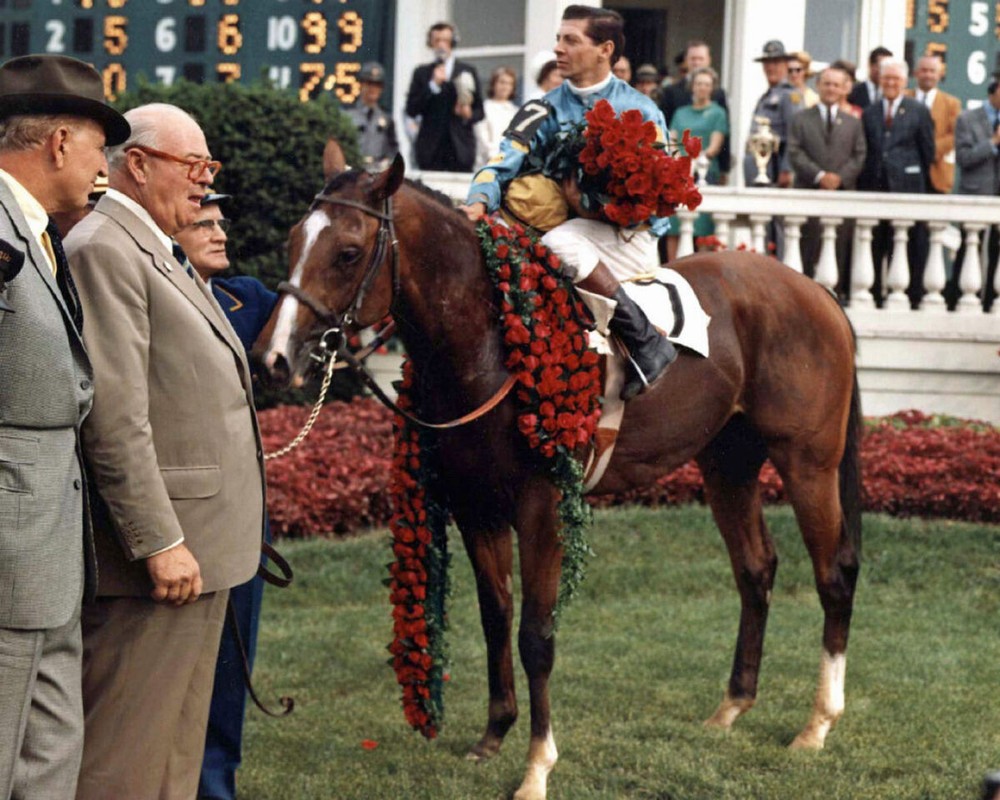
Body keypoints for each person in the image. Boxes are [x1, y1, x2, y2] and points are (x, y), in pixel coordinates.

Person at [65, 103, 267, 800]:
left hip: (203, 550)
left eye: (210, 168)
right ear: (139, 164)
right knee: (124, 759)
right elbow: (114, 417)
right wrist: (159, 540)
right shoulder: (104, 247)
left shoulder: (152, 244)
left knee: (177, 754)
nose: (205, 184)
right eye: (195, 166)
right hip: (163, 557)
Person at [0, 53, 128, 800]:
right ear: (57, 142)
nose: (102, 163)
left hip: (48, 548)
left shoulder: (38, 230)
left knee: (50, 758)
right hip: (10, 548)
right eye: (98, 144)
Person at [460, 5, 676, 400]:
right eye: (558, 38)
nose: (557, 48)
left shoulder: (642, 111)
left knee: (557, 244)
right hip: (573, 231)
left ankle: (646, 342)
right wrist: (477, 202)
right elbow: (501, 161)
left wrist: (597, 209)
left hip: (627, 239)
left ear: (604, 49)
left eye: (570, 40)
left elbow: (660, 205)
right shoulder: (542, 108)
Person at [174, 193, 278, 800]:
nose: (218, 233)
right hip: (185, 509)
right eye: (202, 224)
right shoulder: (159, 289)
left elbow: (313, 322)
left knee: (233, 661)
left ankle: (217, 783)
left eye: (221, 223)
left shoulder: (248, 297)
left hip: (245, 510)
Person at [858, 59, 934, 306]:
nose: (890, 83)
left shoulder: (918, 111)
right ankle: (876, 297)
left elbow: (928, 151)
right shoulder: (869, 112)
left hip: (907, 188)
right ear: (880, 81)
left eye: (896, 79)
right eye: (886, 78)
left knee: (907, 246)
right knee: (875, 245)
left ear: (904, 82)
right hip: (875, 188)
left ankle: (909, 297)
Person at [788, 66, 867, 284]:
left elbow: (859, 155)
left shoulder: (853, 122)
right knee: (806, 251)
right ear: (818, 86)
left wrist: (839, 178)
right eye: (827, 84)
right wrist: (820, 175)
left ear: (844, 89)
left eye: (836, 85)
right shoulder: (801, 118)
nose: (831, 89)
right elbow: (794, 152)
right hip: (808, 194)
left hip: (840, 197)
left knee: (838, 251)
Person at [663, 66, 728, 261]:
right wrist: (676, 159)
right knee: (675, 224)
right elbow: (671, 139)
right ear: (692, 86)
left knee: (703, 226)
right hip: (678, 173)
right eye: (699, 83)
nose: (702, 88)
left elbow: (715, 146)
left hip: (704, 172)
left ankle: (702, 268)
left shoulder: (717, 113)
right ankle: (673, 266)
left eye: (707, 84)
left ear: (712, 88)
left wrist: (696, 160)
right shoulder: (681, 112)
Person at [404, 21, 484, 172]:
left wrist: (468, 114)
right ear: (431, 44)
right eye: (437, 41)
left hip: (460, 149)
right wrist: (432, 85)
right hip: (430, 149)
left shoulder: (467, 71)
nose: (441, 45)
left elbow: (480, 111)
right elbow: (411, 109)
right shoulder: (422, 72)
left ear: (452, 43)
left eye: (445, 41)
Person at [949, 80, 1000, 310]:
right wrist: (993, 143)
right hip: (976, 193)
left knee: (996, 251)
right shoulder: (968, 118)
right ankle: (957, 296)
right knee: (970, 247)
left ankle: (991, 298)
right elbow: (964, 157)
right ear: (993, 92)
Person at [659, 40, 730, 177]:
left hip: (707, 167)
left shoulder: (719, 93)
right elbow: (666, 130)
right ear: (686, 61)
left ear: (708, 60)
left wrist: (724, 169)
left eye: (701, 59)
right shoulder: (671, 91)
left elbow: (724, 135)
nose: (696, 63)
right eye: (693, 59)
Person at [742, 39, 803, 188]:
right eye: (767, 63)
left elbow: (795, 134)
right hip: (758, 168)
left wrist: (787, 169)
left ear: (785, 65)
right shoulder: (765, 97)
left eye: (776, 63)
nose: (771, 68)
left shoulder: (790, 96)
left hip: (775, 167)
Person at [907, 54, 960, 195]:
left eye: (932, 71)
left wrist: (928, 151)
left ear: (940, 74)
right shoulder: (904, 98)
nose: (928, 75)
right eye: (924, 70)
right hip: (906, 173)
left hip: (938, 175)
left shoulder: (951, 103)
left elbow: (955, 135)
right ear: (916, 73)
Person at [337, 61, 398, 174]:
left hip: (378, 172)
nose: (373, 89)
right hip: (353, 172)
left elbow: (393, 147)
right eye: (369, 84)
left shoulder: (386, 118)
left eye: (377, 85)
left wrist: (387, 162)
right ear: (361, 85)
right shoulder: (347, 115)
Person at [475, 66, 519, 168]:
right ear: (493, 84)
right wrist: (497, 159)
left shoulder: (516, 112)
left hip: (509, 165)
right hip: (487, 165)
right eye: (502, 82)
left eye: (509, 84)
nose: (505, 87)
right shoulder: (484, 108)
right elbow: (483, 139)